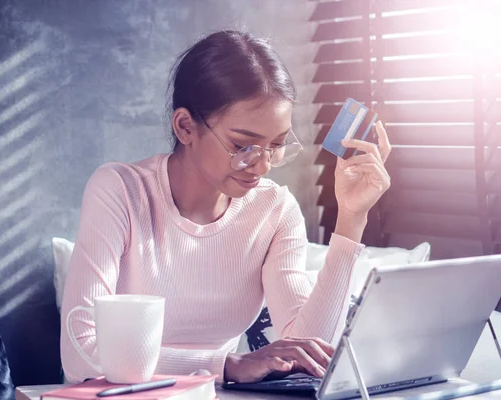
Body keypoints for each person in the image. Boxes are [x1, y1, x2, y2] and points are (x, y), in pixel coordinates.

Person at [60, 30, 391, 385]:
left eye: (276, 145)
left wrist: (351, 219)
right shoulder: (120, 191)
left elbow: (307, 350)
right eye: (243, 146)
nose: (263, 166)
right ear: (186, 127)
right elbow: (81, 353)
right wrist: (226, 365)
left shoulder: (274, 210)